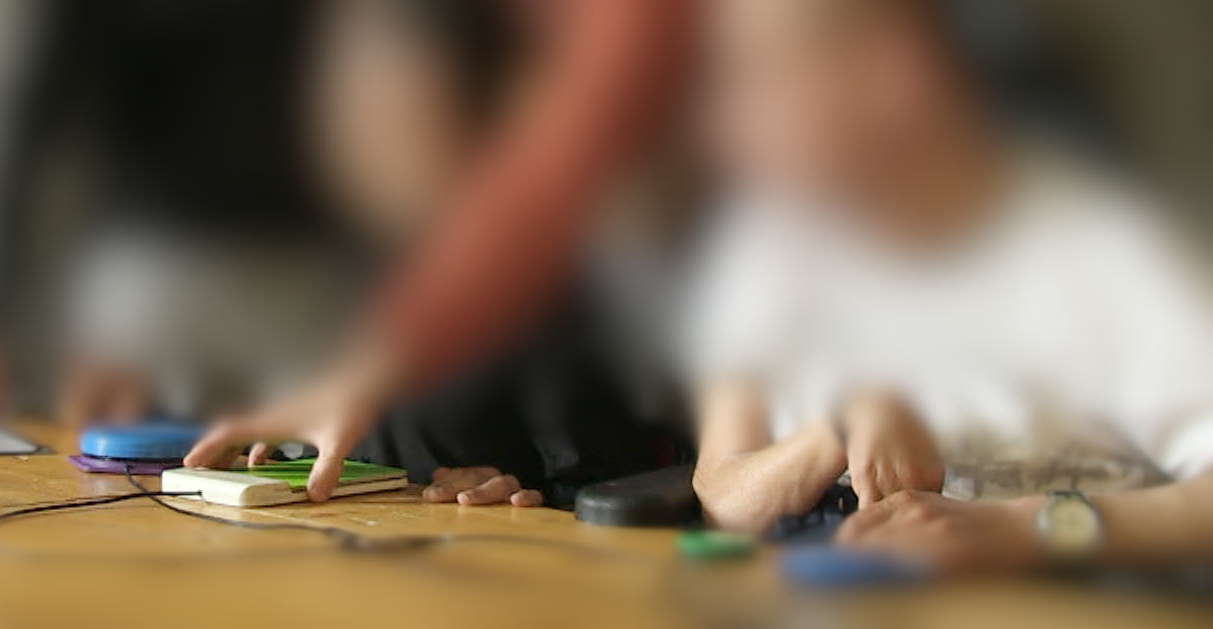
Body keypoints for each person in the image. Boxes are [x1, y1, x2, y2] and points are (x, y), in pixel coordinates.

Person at [683, 0, 1213, 572]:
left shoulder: (1097, 248)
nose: (738, 116)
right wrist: (838, 425)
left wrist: (1024, 528)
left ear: (902, 62)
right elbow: (724, 498)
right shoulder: (766, 243)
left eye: (787, 67)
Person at [185, 0, 690, 502]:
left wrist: (518, 492)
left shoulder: (539, 293)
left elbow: (608, 496)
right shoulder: (337, 278)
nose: (357, 120)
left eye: (384, 89)